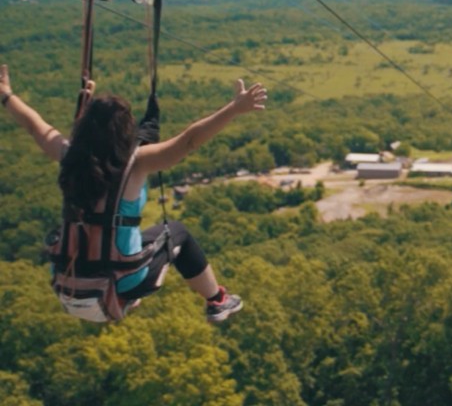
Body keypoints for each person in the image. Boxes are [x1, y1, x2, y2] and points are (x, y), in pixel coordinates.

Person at [0, 63, 268, 323]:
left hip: (67, 275)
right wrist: (234, 109)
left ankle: (199, 297)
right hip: (120, 280)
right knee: (178, 233)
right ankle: (217, 299)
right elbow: (188, 140)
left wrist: (7, 96)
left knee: (116, 235)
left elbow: (35, 125)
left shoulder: (69, 156)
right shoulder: (135, 165)